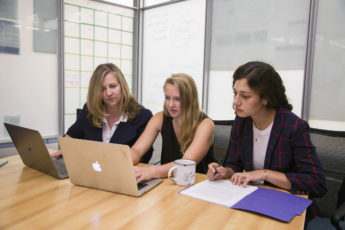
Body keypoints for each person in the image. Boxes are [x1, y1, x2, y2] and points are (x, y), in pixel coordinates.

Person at [207, 61, 327, 220]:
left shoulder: (294, 127)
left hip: (287, 209)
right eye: (235, 93)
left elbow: (317, 183)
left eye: (245, 96)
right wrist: (224, 172)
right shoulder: (242, 121)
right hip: (253, 203)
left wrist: (264, 174)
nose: (236, 101)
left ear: (265, 98)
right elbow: (234, 164)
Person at [51, 63, 153, 163]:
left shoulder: (142, 116)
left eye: (113, 86)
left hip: (124, 174)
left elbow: (143, 157)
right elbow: (71, 136)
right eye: (102, 89)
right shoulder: (89, 110)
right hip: (91, 170)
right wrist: (65, 149)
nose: (108, 93)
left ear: (122, 86)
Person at [132, 73, 215, 183]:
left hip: (196, 186)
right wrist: (123, 163)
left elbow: (186, 163)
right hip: (168, 183)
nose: (171, 104)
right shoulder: (160, 118)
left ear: (190, 100)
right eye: (167, 98)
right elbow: (137, 150)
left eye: (177, 99)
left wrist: (151, 171)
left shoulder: (205, 124)